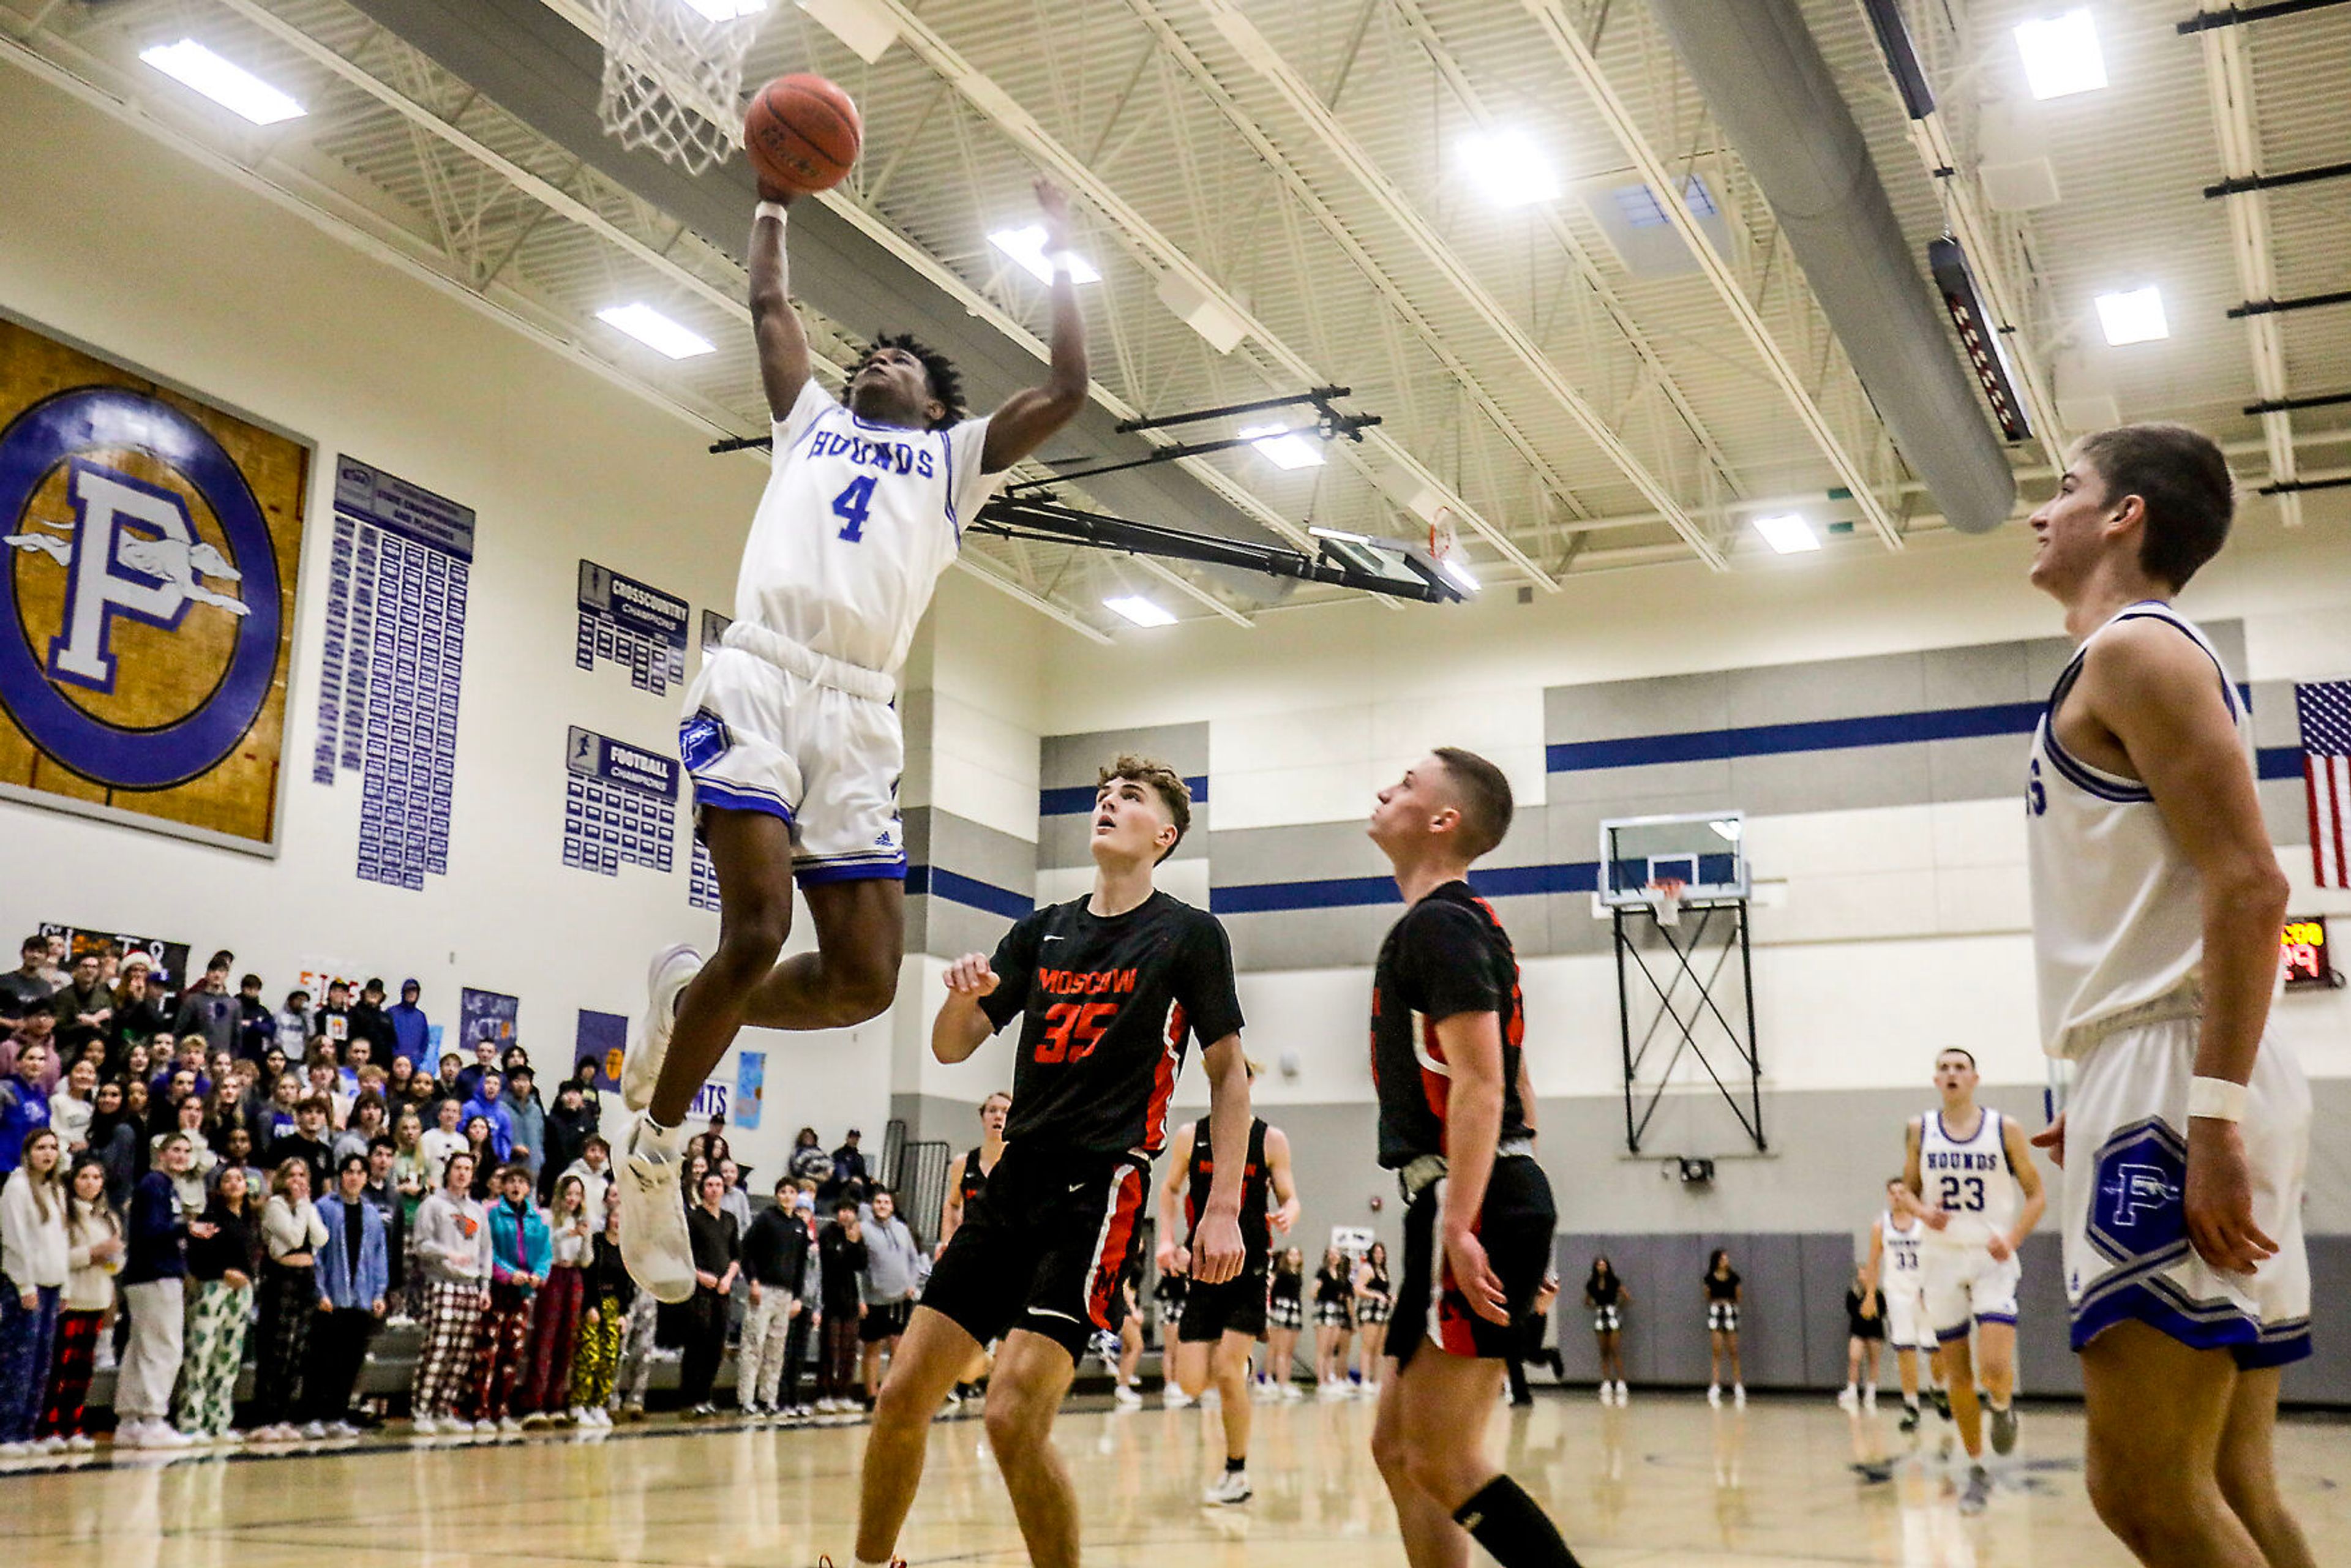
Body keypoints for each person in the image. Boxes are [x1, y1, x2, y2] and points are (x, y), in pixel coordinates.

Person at [617, 178, 1092, 1305]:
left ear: (934, 407)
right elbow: (770, 307)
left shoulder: (956, 462)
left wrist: (1065, 252)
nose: (875, 360)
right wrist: (775, 201)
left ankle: (686, 1011)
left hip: (863, 710)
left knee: (867, 981)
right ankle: (652, 1159)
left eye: (902, 361)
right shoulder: (810, 423)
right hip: (763, 675)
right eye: (868, 353)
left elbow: (1071, 386)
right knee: (758, 928)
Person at [2020, 425, 2315, 1568]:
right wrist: (2105, 1078)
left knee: (2143, 1489)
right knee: (2231, 1479)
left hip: (2177, 1071)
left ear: (2126, 515)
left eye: (2066, 488)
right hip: (2157, 1067)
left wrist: (2204, 1110)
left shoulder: (2138, 651)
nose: (2042, 511)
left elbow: (2254, 884)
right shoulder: (2140, 658)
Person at [849, 754, 1250, 1568]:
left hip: (1100, 1190)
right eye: (1103, 795)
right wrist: (962, 993)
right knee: (900, 1397)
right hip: (1015, 1181)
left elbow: (1228, 1074)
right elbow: (952, 1045)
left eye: (1129, 798)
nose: (1108, 804)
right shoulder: (1043, 930)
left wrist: (1221, 1207)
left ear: (1163, 835)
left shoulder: (1188, 935)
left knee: (1011, 1417)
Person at [1362, 748, 1583, 1568]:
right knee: (1398, 1449)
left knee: (1445, 1458)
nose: (1387, 788)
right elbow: (1518, 1083)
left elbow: (1485, 1087)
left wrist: (1468, 1221)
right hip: (1480, 1193)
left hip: (1469, 1198)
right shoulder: (1461, 922)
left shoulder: (1443, 922)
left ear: (1443, 820)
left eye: (1407, 783)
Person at [1899, 1046, 2045, 1508]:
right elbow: (1906, 1191)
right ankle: (1977, 1468)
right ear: (1936, 1079)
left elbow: (2037, 1194)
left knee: (1995, 1368)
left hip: (1990, 1256)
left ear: (1975, 1077)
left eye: (1959, 1066)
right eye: (1943, 1067)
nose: (1951, 1073)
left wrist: (2014, 1237)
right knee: (1958, 1376)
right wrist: (1924, 1211)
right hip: (1940, 1260)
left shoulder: (2005, 1129)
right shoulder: (1920, 1129)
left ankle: (2002, 1406)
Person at [1157, 1086, 1299, 1503]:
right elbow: (1169, 1189)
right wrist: (1167, 1240)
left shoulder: (1270, 1139)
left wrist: (1289, 1211)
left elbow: (1290, 1196)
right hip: (1202, 1268)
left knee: (1225, 1369)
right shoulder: (1191, 1135)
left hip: (1250, 1266)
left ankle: (1236, 1473)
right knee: (1190, 1381)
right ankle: (1240, 1361)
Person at [116, 1133, 197, 1448]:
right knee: (164, 1348)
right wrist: (186, 1228)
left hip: (146, 1276)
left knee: (140, 1348)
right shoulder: (155, 1185)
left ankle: (129, 1420)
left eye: (186, 1151)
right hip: (155, 1276)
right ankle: (152, 1419)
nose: (181, 1156)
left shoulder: (164, 1187)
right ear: (161, 1154)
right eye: (175, 1150)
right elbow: (151, 1231)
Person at [41, 1156, 123, 1450]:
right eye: (84, 1177)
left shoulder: (109, 1217)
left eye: (96, 1178)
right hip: (71, 1299)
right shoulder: (65, 1214)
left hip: (98, 1298)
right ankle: (48, 1428)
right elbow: (59, 1257)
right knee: (59, 1368)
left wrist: (110, 1259)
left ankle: (73, 1426)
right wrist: (93, 1253)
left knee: (82, 1371)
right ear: (73, 1181)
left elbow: (118, 1260)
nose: (90, 1183)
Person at [410, 1150, 492, 1433]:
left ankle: (445, 1408)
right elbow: (420, 1245)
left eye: (468, 1168)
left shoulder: (478, 1211)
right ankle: (422, 1409)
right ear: (448, 1172)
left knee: (461, 1352)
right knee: (438, 1348)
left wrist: (485, 1286)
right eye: (458, 1167)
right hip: (441, 1282)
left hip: (470, 1286)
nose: (462, 1173)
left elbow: (485, 1251)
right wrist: (447, 1254)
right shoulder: (432, 1205)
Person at [307, 1153, 388, 1436]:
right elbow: (316, 1255)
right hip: (331, 1299)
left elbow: (379, 1257)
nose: (354, 1177)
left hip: (361, 1299)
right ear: (341, 1176)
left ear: (366, 1178)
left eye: (359, 1172)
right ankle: (314, 1416)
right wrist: (320, 1292)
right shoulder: (323, 1208)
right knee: (323, 1360)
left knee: (350, 1361)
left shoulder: (372, 1214)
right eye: (349, 1171)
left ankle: (337, 1415)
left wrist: (379, 1293)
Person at [250, 1157, 328, 1441]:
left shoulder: (308, 1207)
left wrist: (307, 1208)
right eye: (292, 1175)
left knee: (298, 1351)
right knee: (276, 1349)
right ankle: (264, 1417)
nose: (298, 1181)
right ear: (283, 1179)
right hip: (280, 1279)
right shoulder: (275, 1206)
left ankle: (284, 1415)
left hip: (305, 1280)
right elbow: (295, 1239)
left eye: (302, 1175)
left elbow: (321, 1238)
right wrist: (305, 1207)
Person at [0, 1128, 67, 1454]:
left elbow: (62, 1240)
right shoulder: (17, 1187)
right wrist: (25, 1283)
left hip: (54, 1284)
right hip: (26, 1286)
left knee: (43, 1362)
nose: (48, 1153)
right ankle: (7, 1432)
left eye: (53, 1148)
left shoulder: (56, 1189)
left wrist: (65, 1284)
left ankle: (28, 1430)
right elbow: (14, 1241)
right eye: (41, 1147)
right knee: (19, 1361)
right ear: (28, 1152)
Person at [478, 1163, 552, 1433]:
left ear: (529, 1188)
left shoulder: (537, 1218)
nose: (516, 1186)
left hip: (522, 1293)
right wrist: (508, 1273)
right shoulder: (490, 1213)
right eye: (511, 1181)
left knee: (513, 1352)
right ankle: (480, 1408)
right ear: (502, 1186)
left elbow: (545, 1252)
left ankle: (501, 1407)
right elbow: (486, 1249)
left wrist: (539, 1275)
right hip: (498, 1289)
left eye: (522, 1182)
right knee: (488, 1351)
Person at [743, 1174, 819, 1417]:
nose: (787, 1197)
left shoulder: (799, 1226)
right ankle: (746, 1400)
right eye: (783, 1192)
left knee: (776, 1350)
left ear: (798, 1197)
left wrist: (797, 1297)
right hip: (763, 1290)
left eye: (792, 1193)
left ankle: (769, 1399)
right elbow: (747, 1251)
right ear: (777, 1195)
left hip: (786, 1296)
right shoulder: (766, 1219)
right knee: (754, 1346)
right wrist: (753, 1281)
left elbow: (800, 1267)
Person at [520, 1172, 592, 1423]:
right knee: (546, 1338)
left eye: (577, 1194)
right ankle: (535, 1402)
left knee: (567, 1339)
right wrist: (569, 1233)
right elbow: (544, 1245)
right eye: (569, 1194)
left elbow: (586, 1258)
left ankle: (556, 1401)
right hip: (552, 1275)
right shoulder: (548, 1217)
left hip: (574, 1275)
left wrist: (584, 1238)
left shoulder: (582, 1220)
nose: (573, 1199)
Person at [1865, 1179, 1932, 1431]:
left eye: (1902, 1192)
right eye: (1892, 1193)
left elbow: (1938, 1255)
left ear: (1910, 1196)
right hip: (1897, 1293)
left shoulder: (1924, 1222)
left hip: (1924, 1291)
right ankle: (1911, 1405)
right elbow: (1873, 1263)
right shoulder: (1880, 1226)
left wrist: (1934, 1286)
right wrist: (1871, 1295)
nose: (1897, 1196)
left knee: (1935, 1350)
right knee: (1905, 1349)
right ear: (1887, 1197)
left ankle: (1937, 1388)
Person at [680, 1168, 740, 1417]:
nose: (714, 1189)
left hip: (723, 1289)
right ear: (702, 1189)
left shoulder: (730, 1220)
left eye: (718, 1185)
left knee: (716, 1344)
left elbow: (736, 1256)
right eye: (710, 1185)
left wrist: (728, 1278)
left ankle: (705, 1396)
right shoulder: (693, 1218)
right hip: (699, 1289)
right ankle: (689, 1400)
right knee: (697, 1343)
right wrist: (699, 1275)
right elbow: (682, 1254)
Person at [857, 1186, 921, 1402]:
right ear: (872, 1206)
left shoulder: (902, 1229)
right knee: (873, 1347)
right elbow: (857, 1267)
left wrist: (912, 1283)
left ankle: (890, 1394)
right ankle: (871, 1395)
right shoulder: (863, 1230)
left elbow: (914, 1259)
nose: (882, 1206)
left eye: (886, 1203)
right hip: (875, 1298)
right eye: (878, 1202)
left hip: (901, 1298)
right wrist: (861, 1298)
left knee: (898, 1347)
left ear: (892, 1207)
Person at [572, 1199, 630, 1425]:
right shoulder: (596, 1243)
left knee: (609, 1357)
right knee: (590, 1355)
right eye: (616, 1217)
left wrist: (623, 1313)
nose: (618, 1223)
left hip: (614, 1306)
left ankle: (598, 1404)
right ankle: (579, 1403)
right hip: (594, 1303)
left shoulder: (626, 1249)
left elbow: (627, 1285)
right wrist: (590, 1306)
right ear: (608, 1219)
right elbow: (588, 1276)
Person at [816, 1198, 867, 1413]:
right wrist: (848, 1243)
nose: (846, 1215)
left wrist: (855, 1243)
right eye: (842, 1210)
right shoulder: (828, 1233)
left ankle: (843, 1393)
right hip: (831, 1300)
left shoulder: (857, 1236)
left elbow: (861, 1263)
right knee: (830, 1349)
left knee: (849, 1350)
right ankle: (824, 1393)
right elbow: (834, 1262)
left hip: (851, 1301)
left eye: (850, 1211)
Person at [50, 950, 113, 1064]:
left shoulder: (104, 998)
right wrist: (89, 1023)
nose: (89, 970)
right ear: (76, 969)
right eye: (85, 966)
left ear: (98, 971)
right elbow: (59, 1029)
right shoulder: (63, 996)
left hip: (95, 1050)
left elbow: (108, 1032)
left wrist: (91, 1021)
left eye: (94, 967)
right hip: (67, 1050)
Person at [0, 1037, 51, 1176]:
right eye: (31, 1058)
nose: (36, 1063)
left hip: (29, 1168)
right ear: (18, 1063)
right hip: (4, 1166)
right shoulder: (5, 1089)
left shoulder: (42, 1096)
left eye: (41, 1059)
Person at [173, 951, 239, 1056]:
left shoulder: (234, 1004)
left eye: (221, 971)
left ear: (226, 975)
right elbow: (179, 1033)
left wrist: (232, 1059)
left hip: (222, 1060)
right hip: (198, 1057)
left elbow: (237, 1039)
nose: (217, 975)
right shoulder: (193, 1000)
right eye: (213, 971)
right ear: (207, 974)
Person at [1584, 1256, 1630, 1406]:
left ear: (1608, 1267)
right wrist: (1596, 1308)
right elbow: (1587, 1301)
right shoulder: (1592, 1284)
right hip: (1600, 1316)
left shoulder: (1614, 1281)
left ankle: (1621, 1381)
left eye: (1604, 1265)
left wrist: (1617, 1307)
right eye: (1599, 1265)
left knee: (1614, 1349)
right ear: (1596, 1267)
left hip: (1612, 1316)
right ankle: (1606, 1381)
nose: (1601, 1267)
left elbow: (1626, 1296)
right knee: (1603, 1351)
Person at [542, 1081, 597, 1203]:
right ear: (561, 1097)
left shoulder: (589, 1123)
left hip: (580, 1176)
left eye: (575, 1093)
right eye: (567, 1093)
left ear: (581, 1097)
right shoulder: (551, 1121)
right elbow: (546, 1150)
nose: (571, 1097)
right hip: (554, 1175)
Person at [1701, 1250, 1744, 1406]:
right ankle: (1715, 1385)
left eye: (1727, 1258)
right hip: (1715, 1312)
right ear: (1717, 1261)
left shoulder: (1734, 1278)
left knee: (1733, 1350)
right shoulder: (1709, 1278)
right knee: (1717, 1350)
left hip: (1730, 1311)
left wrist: (1729, 1304)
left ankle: (1738, 1385)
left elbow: (1739, 1297)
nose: (1727, 1261)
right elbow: (1708, 1296)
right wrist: (1717, 1303)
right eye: (1724, 1259)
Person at [1313, 1247, 1355, 1395]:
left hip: (1337, 1311)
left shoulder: (1340, 1275)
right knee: (1322, 1349)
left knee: (1331, 1348)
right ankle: (1321, 1381)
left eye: (1337, 1254)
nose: (1334, 1256)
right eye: (1331, 1253)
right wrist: (1321, 1296)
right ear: (1327, 1256)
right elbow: (1313, 1292)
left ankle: (1330, 1380)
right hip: (1325, 1309)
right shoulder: (1322, 1272)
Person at [1264, 1247, 1305, 1400]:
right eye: (1291, 1254)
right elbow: (1268, 1287)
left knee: (1288, 1351)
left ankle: (1285, 1381)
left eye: (1297, 1254)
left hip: (1294, 1311)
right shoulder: (1280, 1273)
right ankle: (1276, 1381)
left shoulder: (1298, 1274)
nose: (1294, 1257)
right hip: (1280, 1309)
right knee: (1278, 1349)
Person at [1355, 1239, 1395, 1395]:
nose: (1379, 1255)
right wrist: (1375, 1295)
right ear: (1371, 1254)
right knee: (1368, 1346)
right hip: (1370, 1310)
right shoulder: (1367, 1269)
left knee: (1380, 1348)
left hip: (1383, 1311)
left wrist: (1390, 1297)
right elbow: (1358, 1288)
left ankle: (1377, 1381)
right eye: (1376, 1252)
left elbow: (1383, 1291)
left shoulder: (1383, 1271)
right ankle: (1365, 1380)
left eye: (1381, 1252)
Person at [0, 936, 56, 1034]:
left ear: (46, 957)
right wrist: (11, 1023)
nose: (35, 955)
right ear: (23, 954)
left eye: (40, 952)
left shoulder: (46, 987)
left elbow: (47, 1017)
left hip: (32, 1043)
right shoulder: (4, 981)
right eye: (31, 951)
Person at [560, 1135, 613, 1232]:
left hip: (597, 1232)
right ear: (584, 1152)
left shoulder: (604, 1183)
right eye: (593, 1150)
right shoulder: (571, 1175)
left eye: (601, 1151)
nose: (597, 1155)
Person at [503, 1066, 546, 1180]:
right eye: (517, 1081)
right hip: (508, 1172)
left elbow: (540, 1139)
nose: (522, 1085)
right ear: (510, 1084)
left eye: (526, 1081)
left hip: (532, 1173)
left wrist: (540, 1159)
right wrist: (512, 1148)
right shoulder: (502, 1108)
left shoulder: (536, 1110)